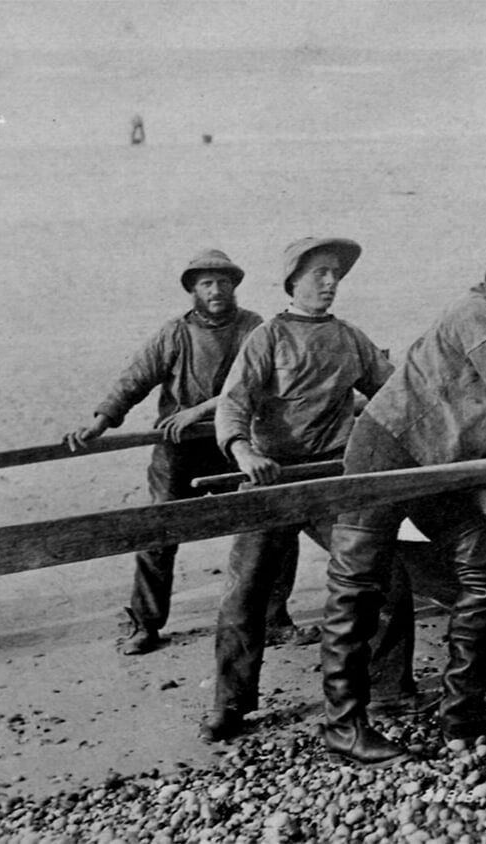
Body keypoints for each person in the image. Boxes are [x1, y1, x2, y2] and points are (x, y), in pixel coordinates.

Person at [319, 223, 486, 768]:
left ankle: (463, 711)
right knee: (358, 586)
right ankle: (343, 727)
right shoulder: (476, 313)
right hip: (387, 446)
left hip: (444, 464)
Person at [200, 237, 395, 742]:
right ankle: (231, 705)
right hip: (274, 480)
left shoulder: (350, 337)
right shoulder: (267, 338)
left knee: (387, 576)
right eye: (320, 274)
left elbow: (393, 395)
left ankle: (393, 687)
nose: (330, 283)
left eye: (336, 274)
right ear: (293, 282)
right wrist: (245, 453)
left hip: (334, 479)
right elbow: (233, 405)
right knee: (244, 595)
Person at [65, 249, 263, 656]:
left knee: (266, 527)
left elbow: (255, 383)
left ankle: (274, 619)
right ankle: (146, 624)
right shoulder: (175, 333)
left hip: (236, 443)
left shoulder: (254, 329)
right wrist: (100, 422)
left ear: (235, 287)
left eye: (224, 282)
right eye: (207, 283)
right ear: (192, 289)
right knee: (157, 533)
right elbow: (135, 379)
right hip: (178, 449)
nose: (217, 290)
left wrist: (200, 411)